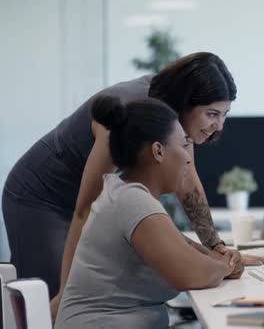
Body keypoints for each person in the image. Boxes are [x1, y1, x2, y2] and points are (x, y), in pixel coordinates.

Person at [1, 52, 264, 320]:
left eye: (224, 114)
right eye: (212, 114)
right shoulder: (129, 113)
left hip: (88, 200)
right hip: (41, 193)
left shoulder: (171, 122)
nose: (218, 126)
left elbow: (187, 179)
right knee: (56, 300)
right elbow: (85, 209)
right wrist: (68, 291)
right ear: (186, 104)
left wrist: (216, 247)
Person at [54, 96, 237, 328]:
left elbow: (193, 254)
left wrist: (220, 260)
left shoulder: (126, 194)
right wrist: (226, 266)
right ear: (158, 151)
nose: (188, 159)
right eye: (183, 145)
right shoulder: (132, 201)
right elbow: (192, 273)